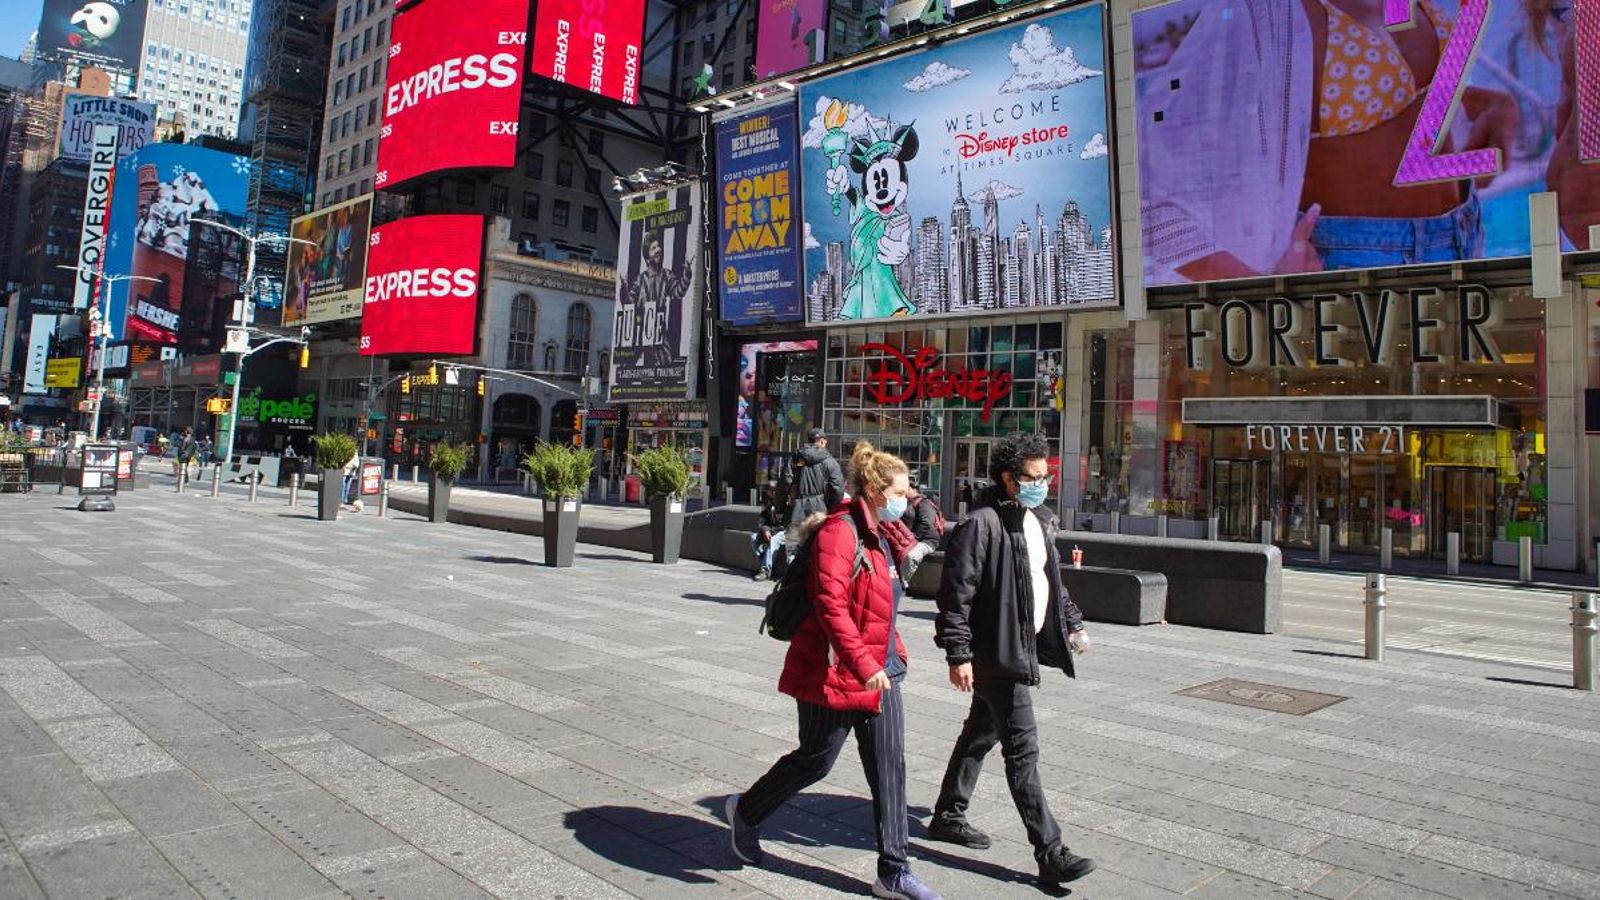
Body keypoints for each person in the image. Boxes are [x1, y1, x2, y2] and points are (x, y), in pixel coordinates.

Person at [725, 442, 941, 900]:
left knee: (889, 769)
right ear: (879, 491)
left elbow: (886, 597)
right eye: (904, 490)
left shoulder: (885, 532)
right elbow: (829, 604)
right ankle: (746, 811)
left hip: (882, 668)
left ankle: (894, 870)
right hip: (833, 669)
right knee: (815, 761)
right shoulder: (839, 532)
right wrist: (862, 663)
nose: (912, 498)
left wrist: (885, 660)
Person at [929, 431, 1096, 890]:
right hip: (996, 654)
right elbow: (954, 597)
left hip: (1015, 649)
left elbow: (1050, 581)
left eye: (1046, 476)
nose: (1043, 484)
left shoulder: (1039, 520)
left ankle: (948, 813)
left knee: (980, 733)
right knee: (1023, 751)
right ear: (1008, 478)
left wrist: (1073, 622)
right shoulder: (980, 524)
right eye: (1033, 477)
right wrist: (958, 653)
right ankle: (1050, 851)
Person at [790, 428, 845, 527]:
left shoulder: (797, 457)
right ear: (823, 441)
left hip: (798, 508)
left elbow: (787, 480)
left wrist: (780, 508)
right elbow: (838, 490)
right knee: (817, 540)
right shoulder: (831, 462)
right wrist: (830, 509)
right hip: (820, 509)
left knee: (796, 540)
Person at [751, 481, 791, 582]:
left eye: (775, 491)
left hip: (785, 531)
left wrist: (773, 532)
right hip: (772, 530)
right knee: (753, 538)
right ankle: (765, 567)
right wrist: (765, 530)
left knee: (774, 540)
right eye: (771, 491)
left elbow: (788, 522)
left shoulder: (786, 502)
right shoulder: (768, 504)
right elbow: (763, 521)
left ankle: (765, 570)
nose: (773, 493)